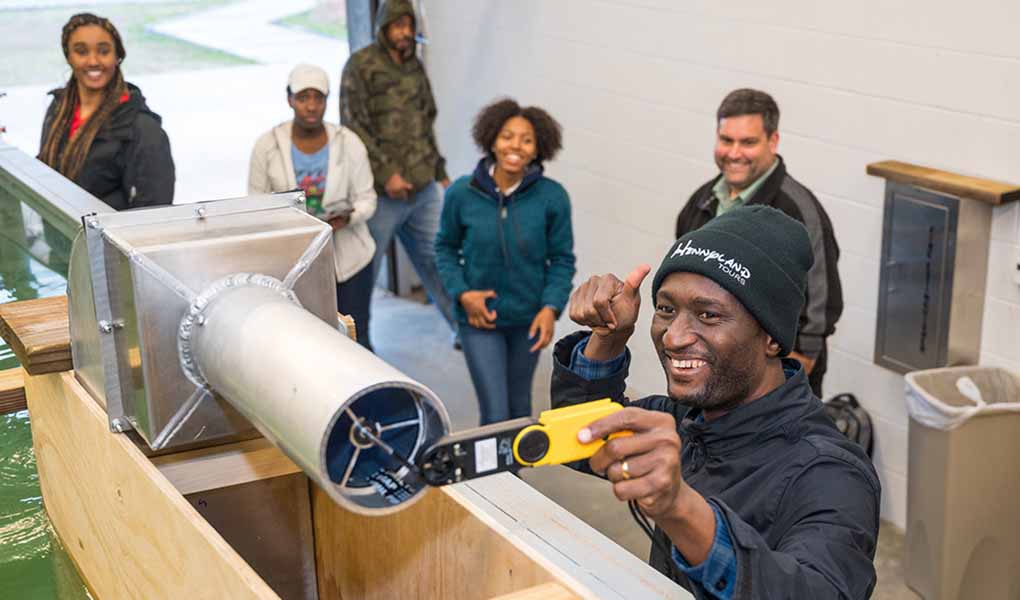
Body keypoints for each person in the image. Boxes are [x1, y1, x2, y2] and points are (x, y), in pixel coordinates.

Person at [555, 206, 880, 598]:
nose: (673, 337)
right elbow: (579, 441)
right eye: (666, 308)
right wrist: (607, 338)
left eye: (708, 315)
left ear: (772, 337)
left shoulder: (829, 473)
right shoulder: (684, 421)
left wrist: (682, 509)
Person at [675, 89, 842, 397]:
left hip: (768, 399)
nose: (734, 153)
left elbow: (818, 313)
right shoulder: (702, 202)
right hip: (706, 383)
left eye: (748, 142)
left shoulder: (799, 212)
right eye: (727, 140)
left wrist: (775, 393)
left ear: (773, 141)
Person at [436, 99, 575, 425]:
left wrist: (549, 308)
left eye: (526, 139)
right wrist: (463, 294)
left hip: (527, 320)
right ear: (491, 140)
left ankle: (512, 477)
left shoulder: (552, 197)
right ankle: (494, 478)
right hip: (479, 322)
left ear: (538, 147)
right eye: (507, 136)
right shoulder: (461, 193)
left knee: (519, 412)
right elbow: (444, 248)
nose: (515, 146)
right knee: (496, 414)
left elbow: (562, 260)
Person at [339, 0, 453, 348]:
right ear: (383, 27)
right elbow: (353, 127)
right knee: (364, 272)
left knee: (439, 261)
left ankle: (466, 332)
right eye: (398, 25)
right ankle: (357, 344)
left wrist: (440, 172)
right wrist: (387, 175)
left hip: (422, 191)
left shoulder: (415, 67)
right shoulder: (361, 66)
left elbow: (425, 121)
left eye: (409, 24)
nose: (405, 32)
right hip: (380, 197)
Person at [248, 64, 377, 349]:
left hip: (350, 261)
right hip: (296, 260)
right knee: (309, 343)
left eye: (319, 98)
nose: (311, 106)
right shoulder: (268, 147)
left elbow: (368, 199)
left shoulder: (348, 143)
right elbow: (255, 205)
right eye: (303, 97)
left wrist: (348, 217)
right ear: (289, 100)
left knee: (357, 339)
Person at [38, 12, 175, 210]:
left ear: (117, 56)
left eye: (103, 51)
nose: (93, 61)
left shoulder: (142, 128)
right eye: (81, 51)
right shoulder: (58, 109)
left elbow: (154, 210)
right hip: (61, 235)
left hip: (103, 240)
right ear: (68, 56)